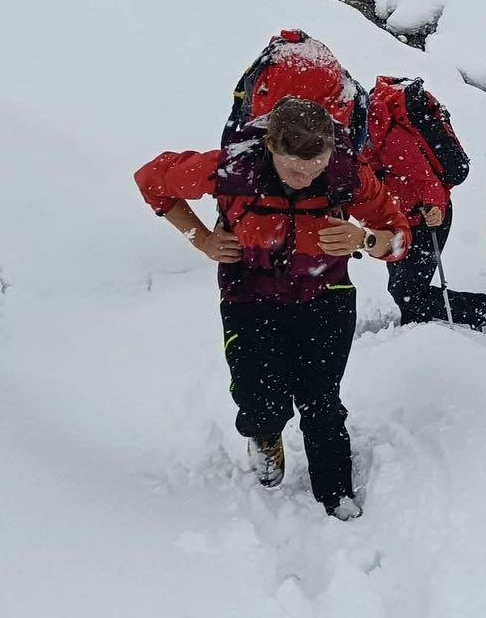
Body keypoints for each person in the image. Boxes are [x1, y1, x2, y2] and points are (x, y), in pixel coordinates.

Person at [135, 97, 412, 521]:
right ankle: (264, 434)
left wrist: (365, 239)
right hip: (250, 297)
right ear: (270, 147)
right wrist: (202, 239)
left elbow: (399, 237)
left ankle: (335, 490)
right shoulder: (232, 169)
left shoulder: (347, 173)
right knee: (260, 399)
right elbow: (152, 180)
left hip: (327, 295)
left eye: (315, 167)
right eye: (293, 169)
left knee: (321, 400)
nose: (304, 179)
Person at [367, 78, 486, 331]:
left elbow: (427, 180)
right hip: (397, 219)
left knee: (407, 290)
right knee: (402, 288)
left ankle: (478, 309)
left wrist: (435, 207)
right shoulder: (360, 139)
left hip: (426, 219)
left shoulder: (392, 140)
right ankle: (417, 333)